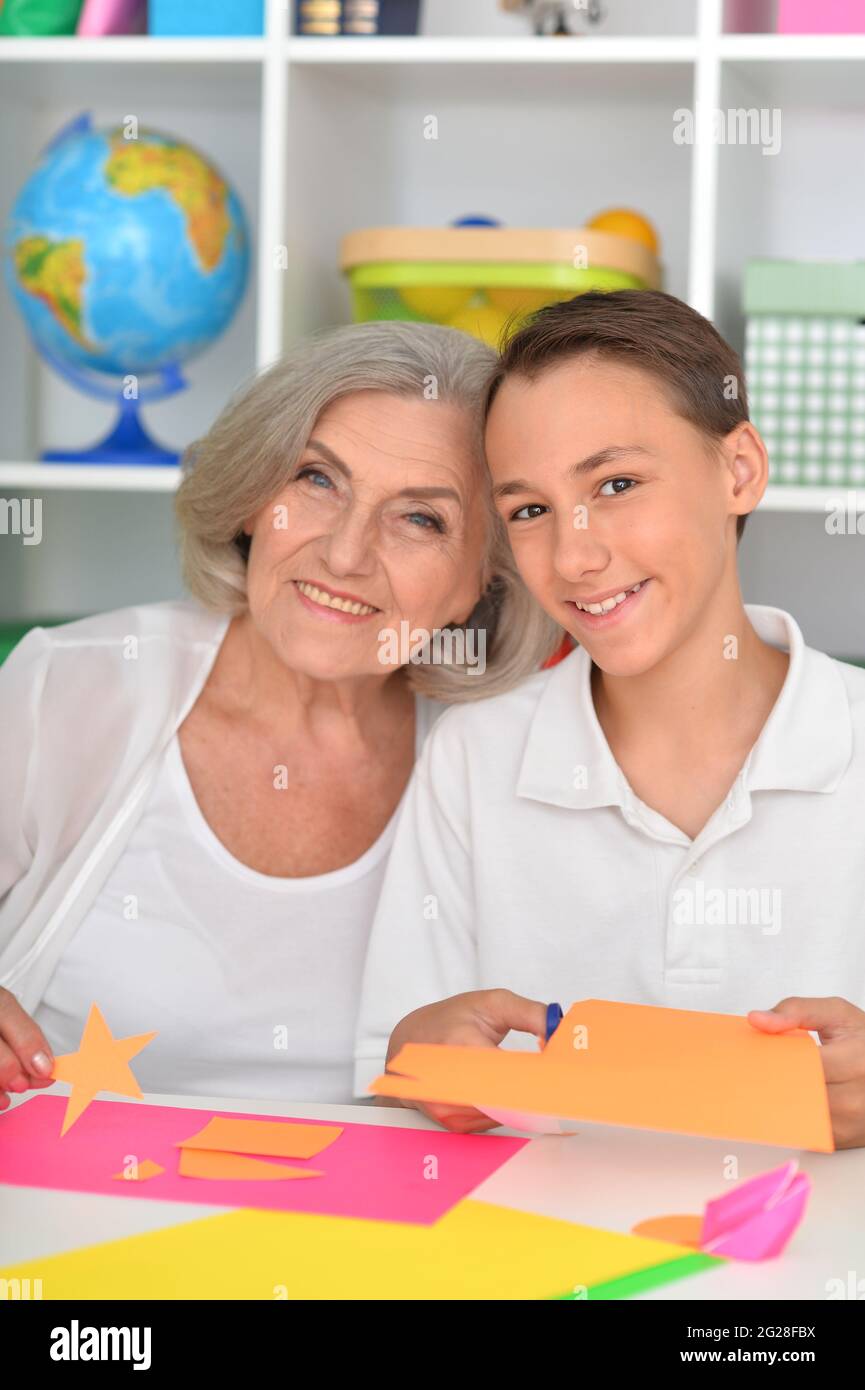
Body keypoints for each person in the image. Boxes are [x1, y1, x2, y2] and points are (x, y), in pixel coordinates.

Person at [0, 320, 560, 1110]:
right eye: (317, 480)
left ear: (484, 581)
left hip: (374, 1195)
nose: (344, 554)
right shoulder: (73, 685)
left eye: (421, 519)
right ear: (253, 501)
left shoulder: (502, 760)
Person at [355, 290, 865, 1148]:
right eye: (529, 510)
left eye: (616, 484)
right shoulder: (474, 757)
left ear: (738, 471)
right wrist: (418, 1069)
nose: (574, 556)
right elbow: (397, 1077)